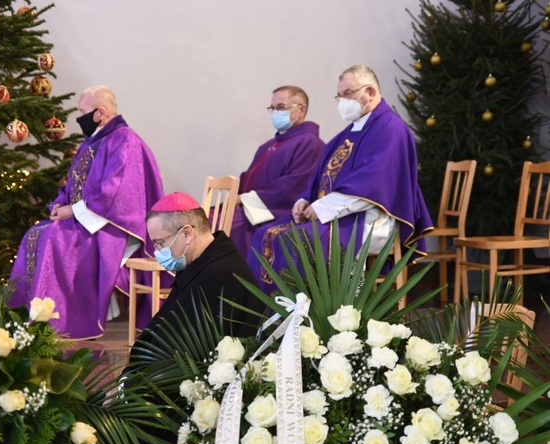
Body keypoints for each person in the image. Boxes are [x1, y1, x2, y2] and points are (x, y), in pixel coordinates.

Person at [248, 65, 433, 292]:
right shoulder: (349, 132)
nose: (343, 102)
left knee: (295, 243)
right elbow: (321, 175)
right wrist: (304, 201)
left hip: (369, 218)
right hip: (338, 214)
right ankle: (271, 316)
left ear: (371, 92)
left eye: (348, 94)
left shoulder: (390, 128)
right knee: (264, 235)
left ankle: (307, 316)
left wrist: (324, 207)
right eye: (340, 96)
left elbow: (374, 182)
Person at [8, 86, 164, 340]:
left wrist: (74, 211)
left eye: (82, 112)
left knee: (52, 239)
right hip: (87, 219)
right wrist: (60, 206)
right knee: (37, 232)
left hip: (110, 227)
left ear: (100, 112)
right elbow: (73, 186)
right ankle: (25, 317)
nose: (79, 117)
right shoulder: (96, 140)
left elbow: (115, 195)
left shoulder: (124, 141)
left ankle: (56, 322)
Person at [128, 192, 264, 364]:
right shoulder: (199, 263)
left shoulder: (220, 274)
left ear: (187, 234)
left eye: (159, 242)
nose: (157, 252)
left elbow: (186, 350)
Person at [231, 85, 326, 258]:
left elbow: (295, 187)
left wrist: (244, 200)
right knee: (202, 218)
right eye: (272, 108)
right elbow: (248, 178)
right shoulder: (269, 145)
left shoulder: (310, 144)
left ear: (301, 109)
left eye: (281, 107)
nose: (275, 113)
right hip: (250, 209)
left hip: (270, 214)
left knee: (221, 226)